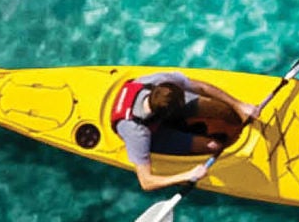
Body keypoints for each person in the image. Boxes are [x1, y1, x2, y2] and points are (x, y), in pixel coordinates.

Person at [112, 71, 262, 193]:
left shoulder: (162, 82)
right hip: (154, 133)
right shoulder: (137, 133)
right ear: (169, 114)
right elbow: (146, 182)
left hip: (159, 112)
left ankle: (193, 127)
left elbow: (202, 88)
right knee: (214, 146)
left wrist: (239, 105)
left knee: (220, 108)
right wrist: (188, 175)